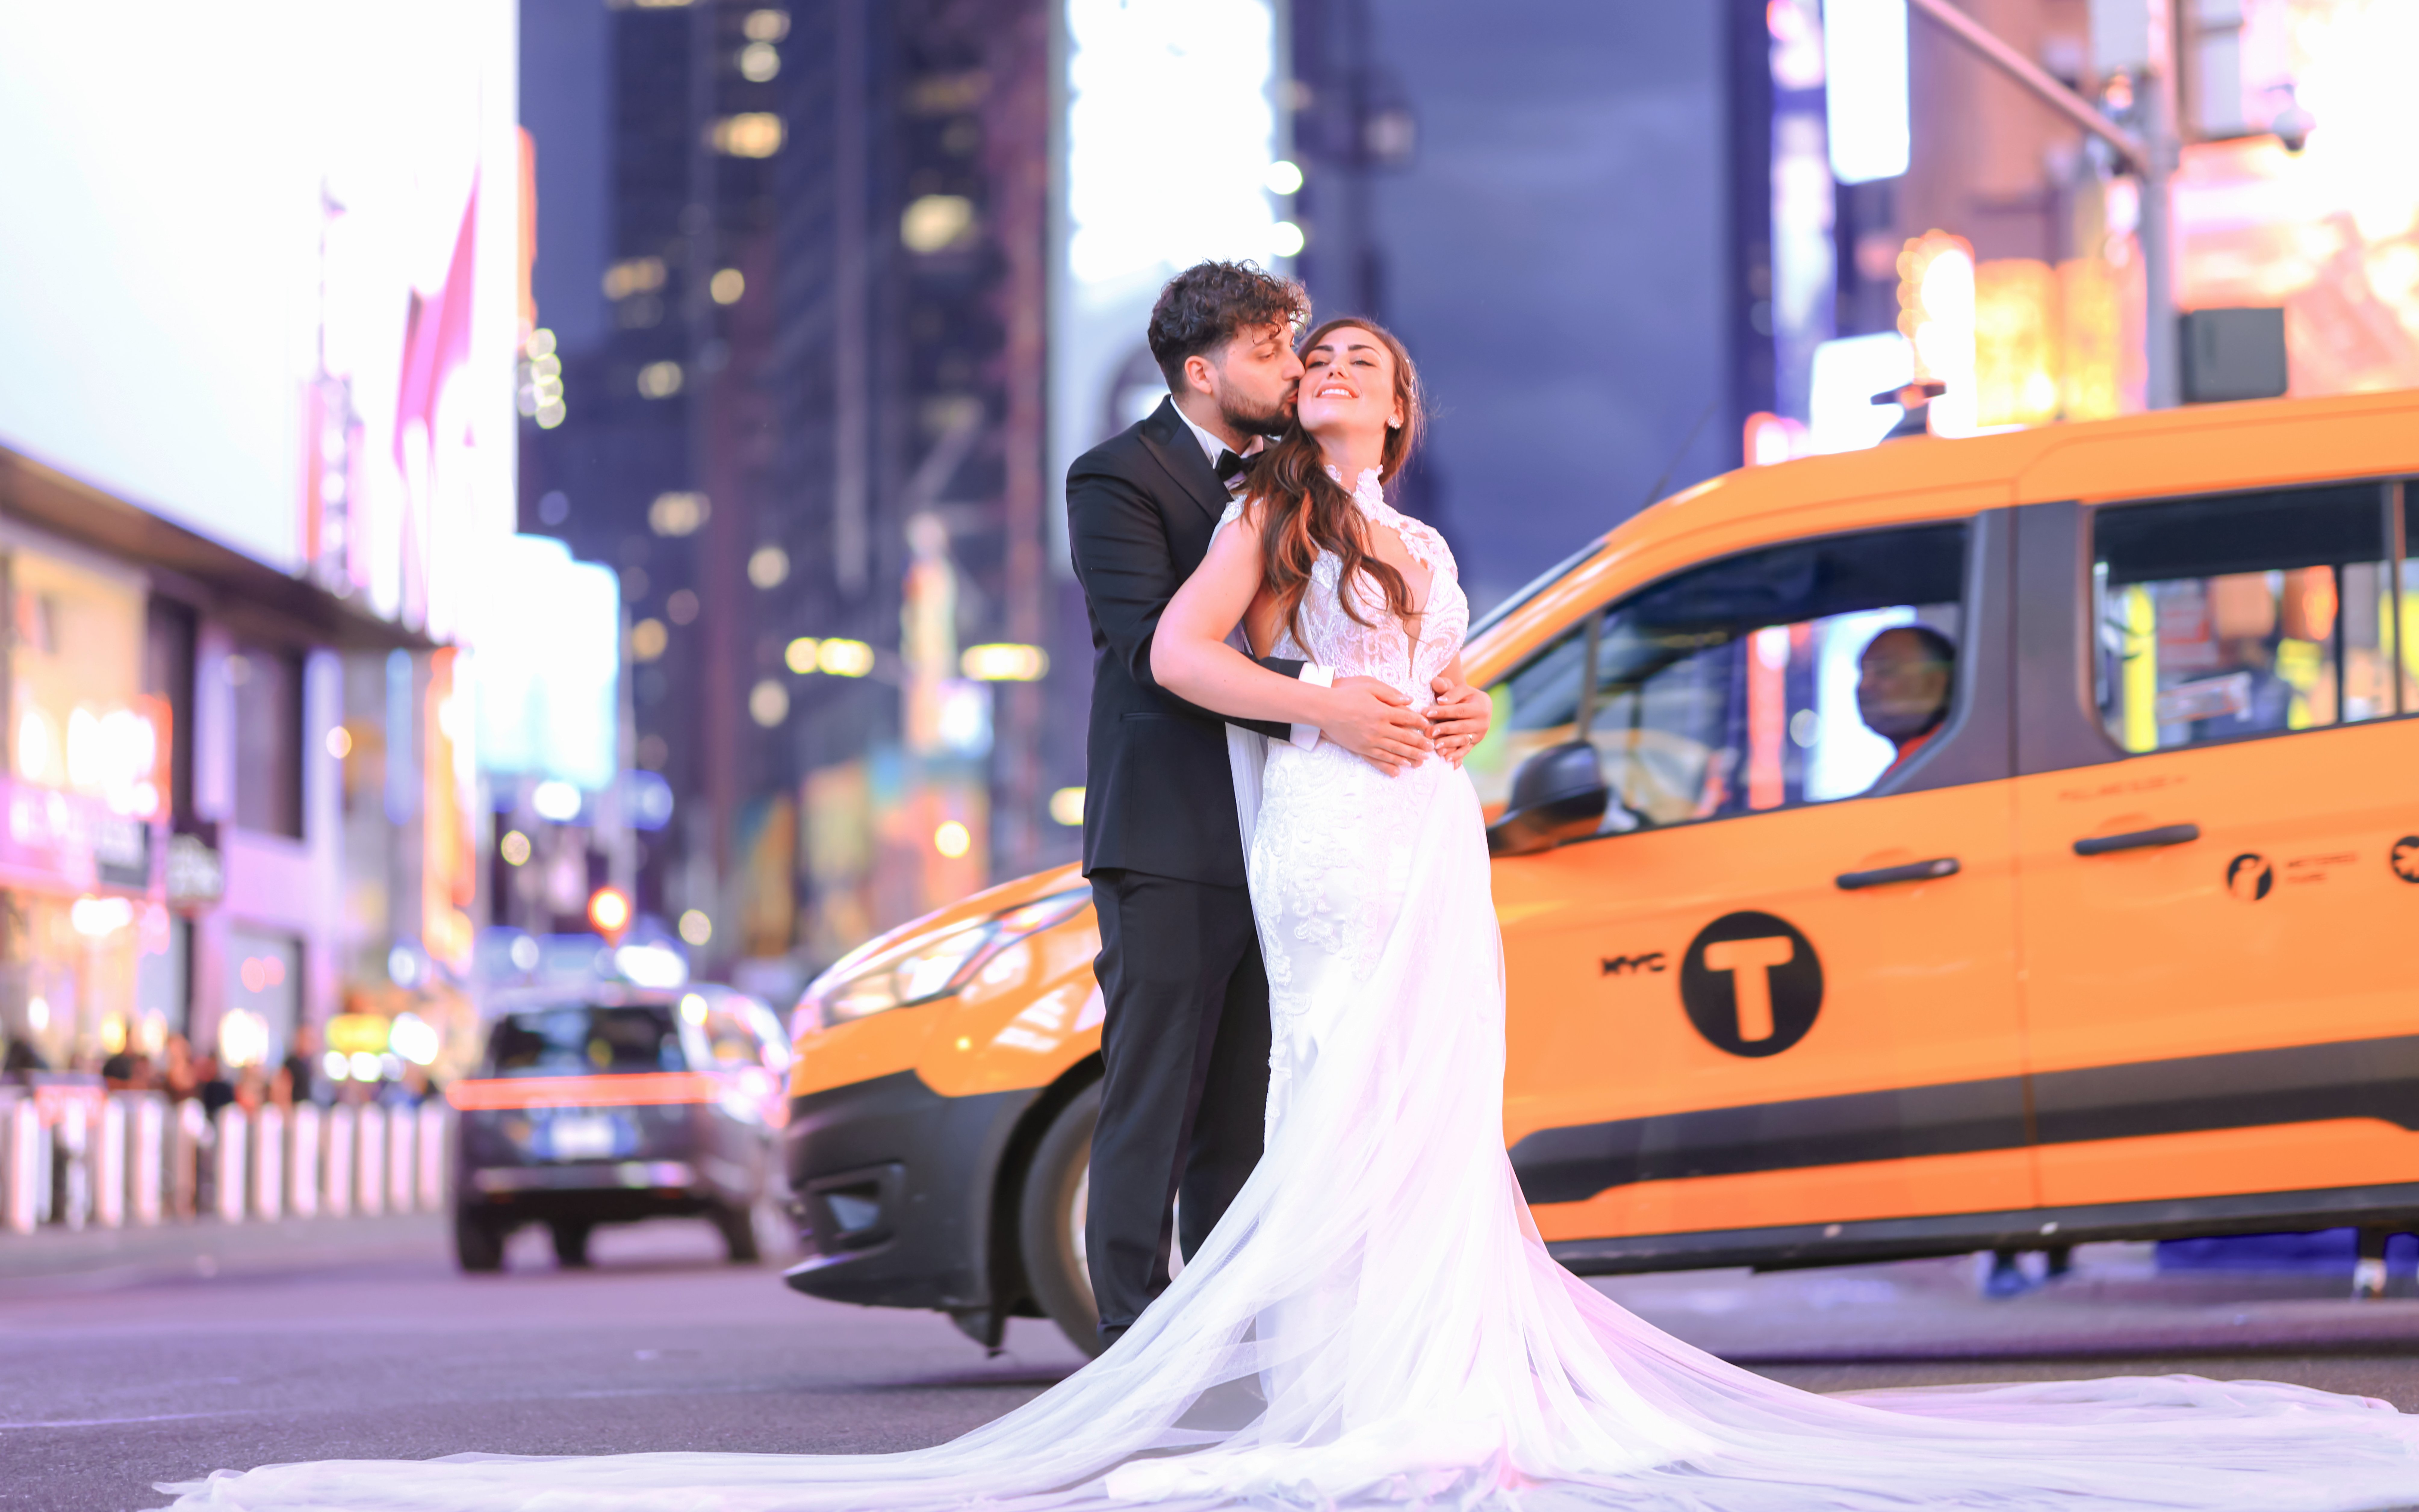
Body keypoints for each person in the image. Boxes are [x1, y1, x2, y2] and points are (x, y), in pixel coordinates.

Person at [162, 333, 2419, 1512]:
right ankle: (1334, 1359)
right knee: (1343, 1090)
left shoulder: (1410, 528)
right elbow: (1199, 661)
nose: (1323, 385)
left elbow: (1474, 691)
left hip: (1418, 820)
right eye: (1305, 366)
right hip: (1350, 833)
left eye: (1349, 372)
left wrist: (1424, 705)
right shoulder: (1266, 509)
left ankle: (1373, 1357)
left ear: (1392, 406)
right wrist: (1355, 706)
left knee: (1410, 1108)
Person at [1058, 260, 1489, 1349]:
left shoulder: (1332, 500)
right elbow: (1154, 649)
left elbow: (1410, 653)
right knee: (1158, 1090)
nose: (1300, 365)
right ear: (1202, 372)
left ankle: (1252, 1332)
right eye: (1274, 350)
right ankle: (1130, 1344)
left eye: (1317, 350)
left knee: (1259, 1106)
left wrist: (1449, 703)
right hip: (1181, 827)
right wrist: (1328, 703)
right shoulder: (1122, 477)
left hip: (1343, 823)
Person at [1856, 622, 1956, 770]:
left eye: (1884, 670)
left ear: (1936, 682)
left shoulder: (1944, 767)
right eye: (1863, 672)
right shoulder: (1912, 767)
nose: (1864, 686)